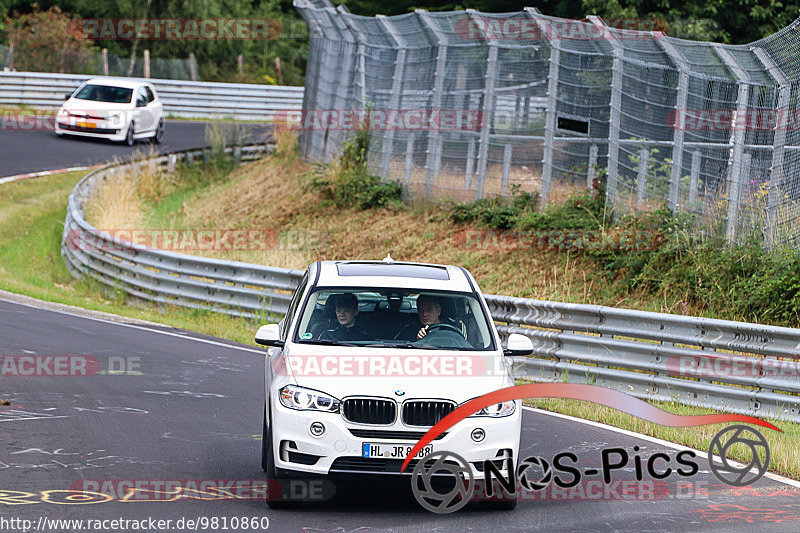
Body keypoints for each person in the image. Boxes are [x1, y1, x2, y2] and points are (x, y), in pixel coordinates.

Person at [394, 294, 465, 342]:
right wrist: (417, 341)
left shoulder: (454, 329)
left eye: (429, 310)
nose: (424, 314)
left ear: (438, 311)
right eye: (421, 310)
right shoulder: (409, 330)